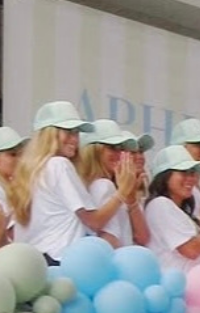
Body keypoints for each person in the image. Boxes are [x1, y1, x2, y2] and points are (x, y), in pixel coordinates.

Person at [13, 102, 129, 259]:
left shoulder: (29, 171)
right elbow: (94, 222)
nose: (74, 139)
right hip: (60, 259)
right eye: (68, 132)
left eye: (76, 133)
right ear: (50, 134)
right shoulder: (59, 165)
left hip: (35, 261)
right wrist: (122, 192)